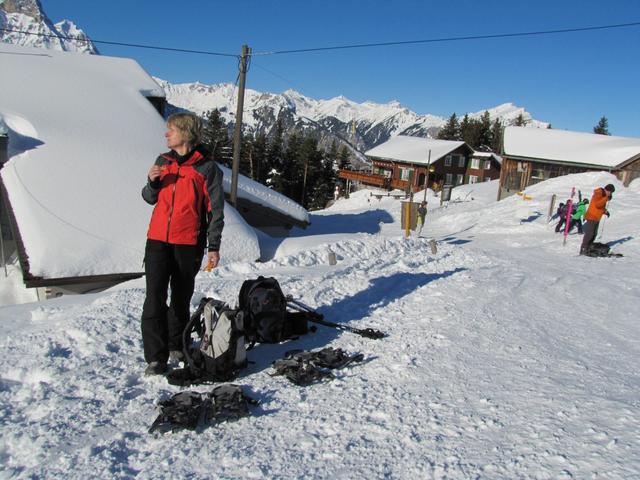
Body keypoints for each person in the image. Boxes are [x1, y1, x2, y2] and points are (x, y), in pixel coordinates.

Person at [140, 113, 225, 375]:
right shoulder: (161, 162)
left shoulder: (206, 168)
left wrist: (213, 247)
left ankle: (177, 343)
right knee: (154, 298)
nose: (166, 135)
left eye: (172, 130)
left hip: (188, 243)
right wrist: (151, 182)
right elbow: (148, 198)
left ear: (186, 134)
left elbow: (216, 210)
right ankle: (156, 357)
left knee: (180, 297)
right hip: (157, 241)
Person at [580, 183, 614, 255]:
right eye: (610, 192)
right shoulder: (598, 193)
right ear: (606, 190)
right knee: (589, 234)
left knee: (594, 234)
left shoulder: (603, 195)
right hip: (592, 216)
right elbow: (598, 204)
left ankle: (588, 247)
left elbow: (600, 207)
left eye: (611, 193)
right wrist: (606, 198)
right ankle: (583, 248)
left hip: (596, 218)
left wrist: (605, 211)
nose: (610, 193)